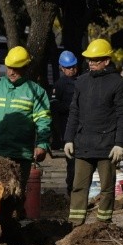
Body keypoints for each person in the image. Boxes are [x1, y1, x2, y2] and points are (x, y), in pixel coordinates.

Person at [0, 46, 52, 209]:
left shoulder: (36, 92)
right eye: (9, 67)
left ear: (26, 68)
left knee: (16, 196)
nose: (11, 72)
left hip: (21, 155)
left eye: (16, 68)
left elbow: (44, 121)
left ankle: (15, 229)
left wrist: (42, 144)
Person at [63, 39, 123, 226]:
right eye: (89, 60)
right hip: (84, 144)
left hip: (107, 145)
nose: (91, 63)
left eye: (95, 59)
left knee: (107, 188)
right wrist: (69, 138)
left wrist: (120, 143)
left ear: (106, 61)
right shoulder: (82, 82)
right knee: (78, 186)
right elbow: (74, 112)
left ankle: (103, 224)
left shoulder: (119, 84)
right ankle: (75, 224)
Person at [51, 50, 79, 194]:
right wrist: (71, 108)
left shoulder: (82, 81)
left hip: (82, 127)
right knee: (72, 161)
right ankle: (71, 188)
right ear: (62, 68)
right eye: (68, 67)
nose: (72, 70)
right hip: (67, 126)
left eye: (74, 66)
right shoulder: (59, 85)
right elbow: (54, 105)